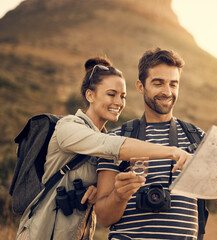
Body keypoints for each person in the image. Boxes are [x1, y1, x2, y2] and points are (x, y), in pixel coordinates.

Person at [96, 48, 217, 239]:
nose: (167, 91)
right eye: (158, 83)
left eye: (173, 84)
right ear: (141, 86)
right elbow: (104, 217)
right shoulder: (116, 140)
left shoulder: (197, 139)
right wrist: (120, 196)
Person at [16, 56, 192, 240]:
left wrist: (95, 188)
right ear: (90, 95)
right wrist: (173, 151)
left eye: (122, 96)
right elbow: (113, 146)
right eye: (111, 94)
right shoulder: (67, 128)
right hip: (42, 232)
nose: (119, 102)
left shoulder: (105, 137)